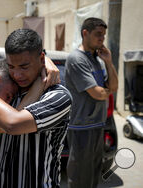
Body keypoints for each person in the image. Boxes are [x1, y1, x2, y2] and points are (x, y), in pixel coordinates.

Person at [0, 29, 72, 188]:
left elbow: (13, 124)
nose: (17, 74)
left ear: (41, 59)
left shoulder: (58, 97)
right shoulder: (7, 91)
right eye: (11, 66)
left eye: (24, 67)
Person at [65, 17, 118, 188]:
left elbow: (113, 87)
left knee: (94, 175)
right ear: (85, 33)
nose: (102, 39)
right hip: (81, 127)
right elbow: (97, 93)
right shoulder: (76, 59)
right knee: (80, 177)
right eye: (98, 34)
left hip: (97, 124)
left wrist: (109, 62)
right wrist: (106, 91)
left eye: (103, 35)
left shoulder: (97, 59)